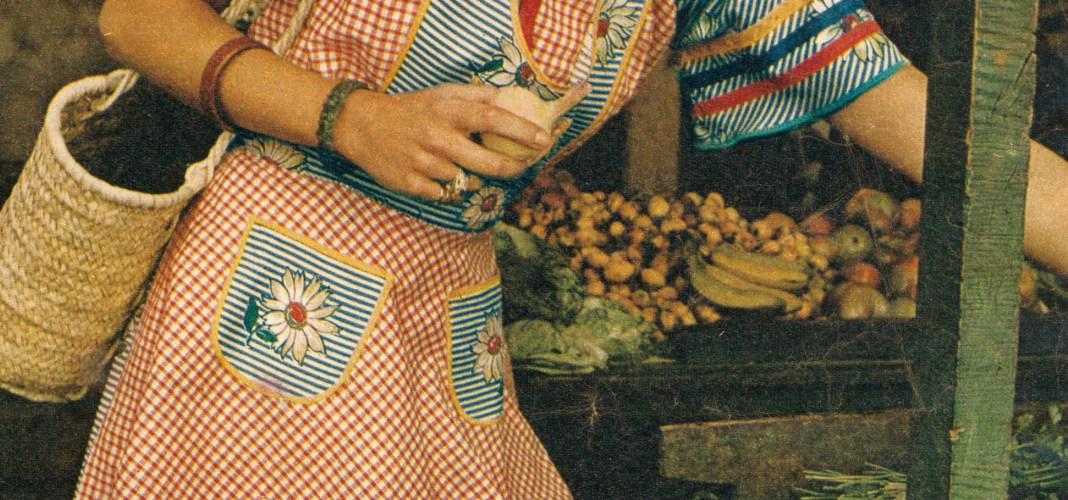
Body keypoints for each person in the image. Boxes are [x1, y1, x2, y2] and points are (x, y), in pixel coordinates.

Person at [75, 0, 1068, 497]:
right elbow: (135, 15)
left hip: (452, 323)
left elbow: (944, 136)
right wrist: (349, 116)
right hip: (274, 306)